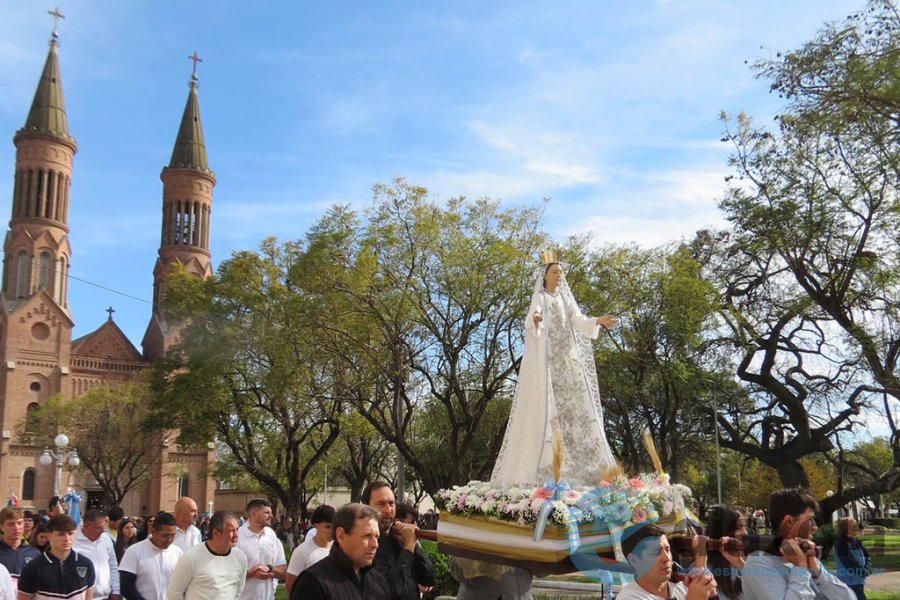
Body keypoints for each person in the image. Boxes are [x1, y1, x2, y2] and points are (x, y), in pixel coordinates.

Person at [490, 251, 618, 487]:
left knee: (575, 410)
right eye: (555, 272)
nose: (560, 276)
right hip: (548, 363)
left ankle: (589, 468)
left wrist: (598, 320)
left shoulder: (564, 299)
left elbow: (578, 320)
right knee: (548, 411)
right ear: (545, 275)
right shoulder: (541, 296)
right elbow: (534, 313)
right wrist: (536, 319)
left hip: (566, 361)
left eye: (561, 272)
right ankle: (547, 468)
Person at [742, 488, 854, 600]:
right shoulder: (759, 562)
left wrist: (818, 573)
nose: (815, 526)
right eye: (810, 519)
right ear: (789, 521)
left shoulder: (805, 554)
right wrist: (800, 567)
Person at [290, 503, 389, 600]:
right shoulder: (312, 582)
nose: (375, 544)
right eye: (367, 536)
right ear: (341, 536)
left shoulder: (378, 581)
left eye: (376, 537)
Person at [363, 482, 435, 600]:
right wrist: (408, 547)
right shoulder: (365, 543)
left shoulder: (400, 539)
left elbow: (428, 579)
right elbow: (391, 589)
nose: (388, 510)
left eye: (391, 503)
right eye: (381, 504)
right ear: (366, 507)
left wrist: (413, 543)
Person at [615, 523, 717, 600]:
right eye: (656, 552)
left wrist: (711, 595)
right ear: (634, 560)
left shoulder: (682, 588)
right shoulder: (628, 597)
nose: (667, 558)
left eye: (667, 550)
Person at [166, 510, 247, 600]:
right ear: (216, 533)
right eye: (231, 531)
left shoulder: (240, 557)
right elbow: (174, 593)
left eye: (237, 529)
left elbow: (238, 590)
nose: (236, 535)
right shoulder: (191, 558)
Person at [18, 515, 95, 600]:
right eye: (61, 534)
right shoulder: (33, 568)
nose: (67, 538)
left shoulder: (86, 564)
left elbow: (88, 597)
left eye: (70, 533)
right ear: (49, 536)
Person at [119, 512, 183, 600]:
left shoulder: (178, 553)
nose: (169, 540)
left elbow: (181, 585)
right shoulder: (134, 551)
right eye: (165, 536)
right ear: (153, 531)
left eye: (173, 536)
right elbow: (127, 588)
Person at [236, 498, 286, 600]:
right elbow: (228, 575)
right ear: (254, 514)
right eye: (267, 513)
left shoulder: (272, 536)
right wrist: (252, 573)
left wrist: (270, 569)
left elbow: (284, 572)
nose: (271, 516)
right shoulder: (237, 537)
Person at [285, 505, 334, 598]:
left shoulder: (338, 550)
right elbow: (290, 586)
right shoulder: (302, 552)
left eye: (334, 527)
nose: (331, 531)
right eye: (327, 527)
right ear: (316, 525)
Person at [72, 508, 120, 600]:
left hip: (105, 596)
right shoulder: (73, 541)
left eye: (104, 527)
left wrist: (116, 590)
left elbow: (112, 564)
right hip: (82, 596)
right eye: (99, 528)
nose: (103, 531)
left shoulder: (105, 538)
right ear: (86, 526)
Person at [705, 506, 748, 600]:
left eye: (745, 527)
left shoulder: (746, 564)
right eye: (738, 527)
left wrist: (740, 564)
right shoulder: (706, 572)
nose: (745, 533)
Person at [0, 507, 41, 589]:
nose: (16, 528)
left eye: (19, 523)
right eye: (11, 524)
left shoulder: (34, 553)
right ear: (1, 527)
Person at [834, 517, 871, 600]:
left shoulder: (856, 542)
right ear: (847, 529)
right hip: (849, 582)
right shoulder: (841, 544)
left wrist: (867, 569)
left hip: (859, 580)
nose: (857, 527)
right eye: (854, 525)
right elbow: (849, 562)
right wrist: (863, 572)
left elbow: (867, 556)